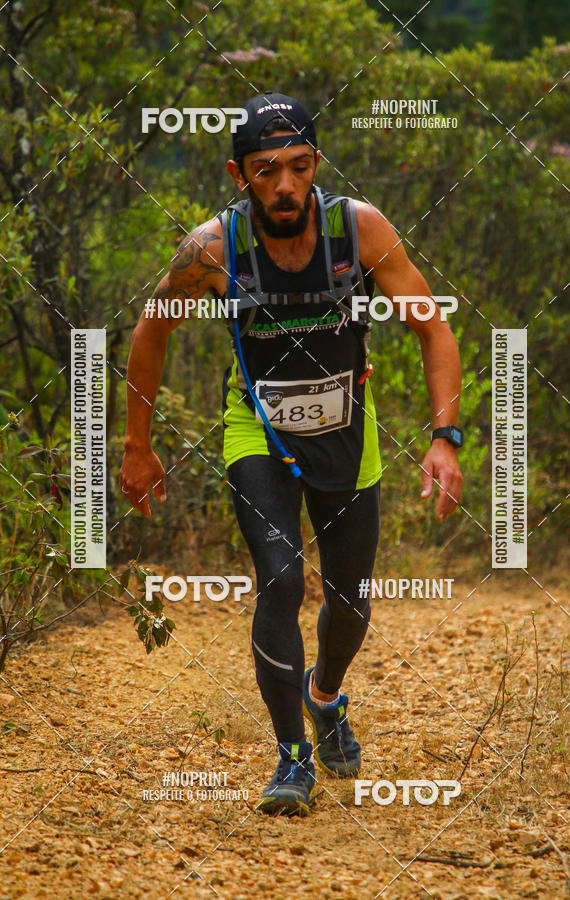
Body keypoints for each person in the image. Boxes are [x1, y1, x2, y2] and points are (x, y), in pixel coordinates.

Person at [119, 92, 463, 816]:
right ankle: (291, 756)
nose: (284, 185)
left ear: (316, 164)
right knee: (279, 580)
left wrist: (444, 438)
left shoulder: (358, 229)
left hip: (347, 433)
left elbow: (434, 328)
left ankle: (324, 696)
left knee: (349, 600)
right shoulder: (213, 248)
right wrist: (137, 445)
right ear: (237, 174)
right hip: (259, 433)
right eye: (266, 170)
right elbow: (151, 332)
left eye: (299, 167)